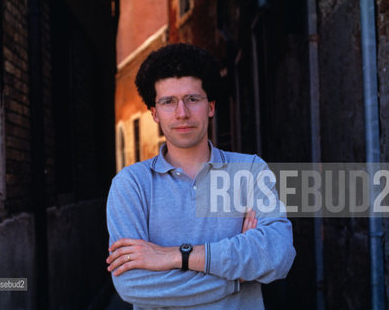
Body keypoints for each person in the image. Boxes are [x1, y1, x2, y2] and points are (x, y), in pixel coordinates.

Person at [106, 43, 296, 309]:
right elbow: (133, 284)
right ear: (154, 113)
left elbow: (279, 254)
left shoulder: (250, 170)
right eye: (168, 102)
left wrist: (175, 256)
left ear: (211, 107)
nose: (182, 112)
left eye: (192, 99)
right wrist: (237, 279)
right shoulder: (131, 185)